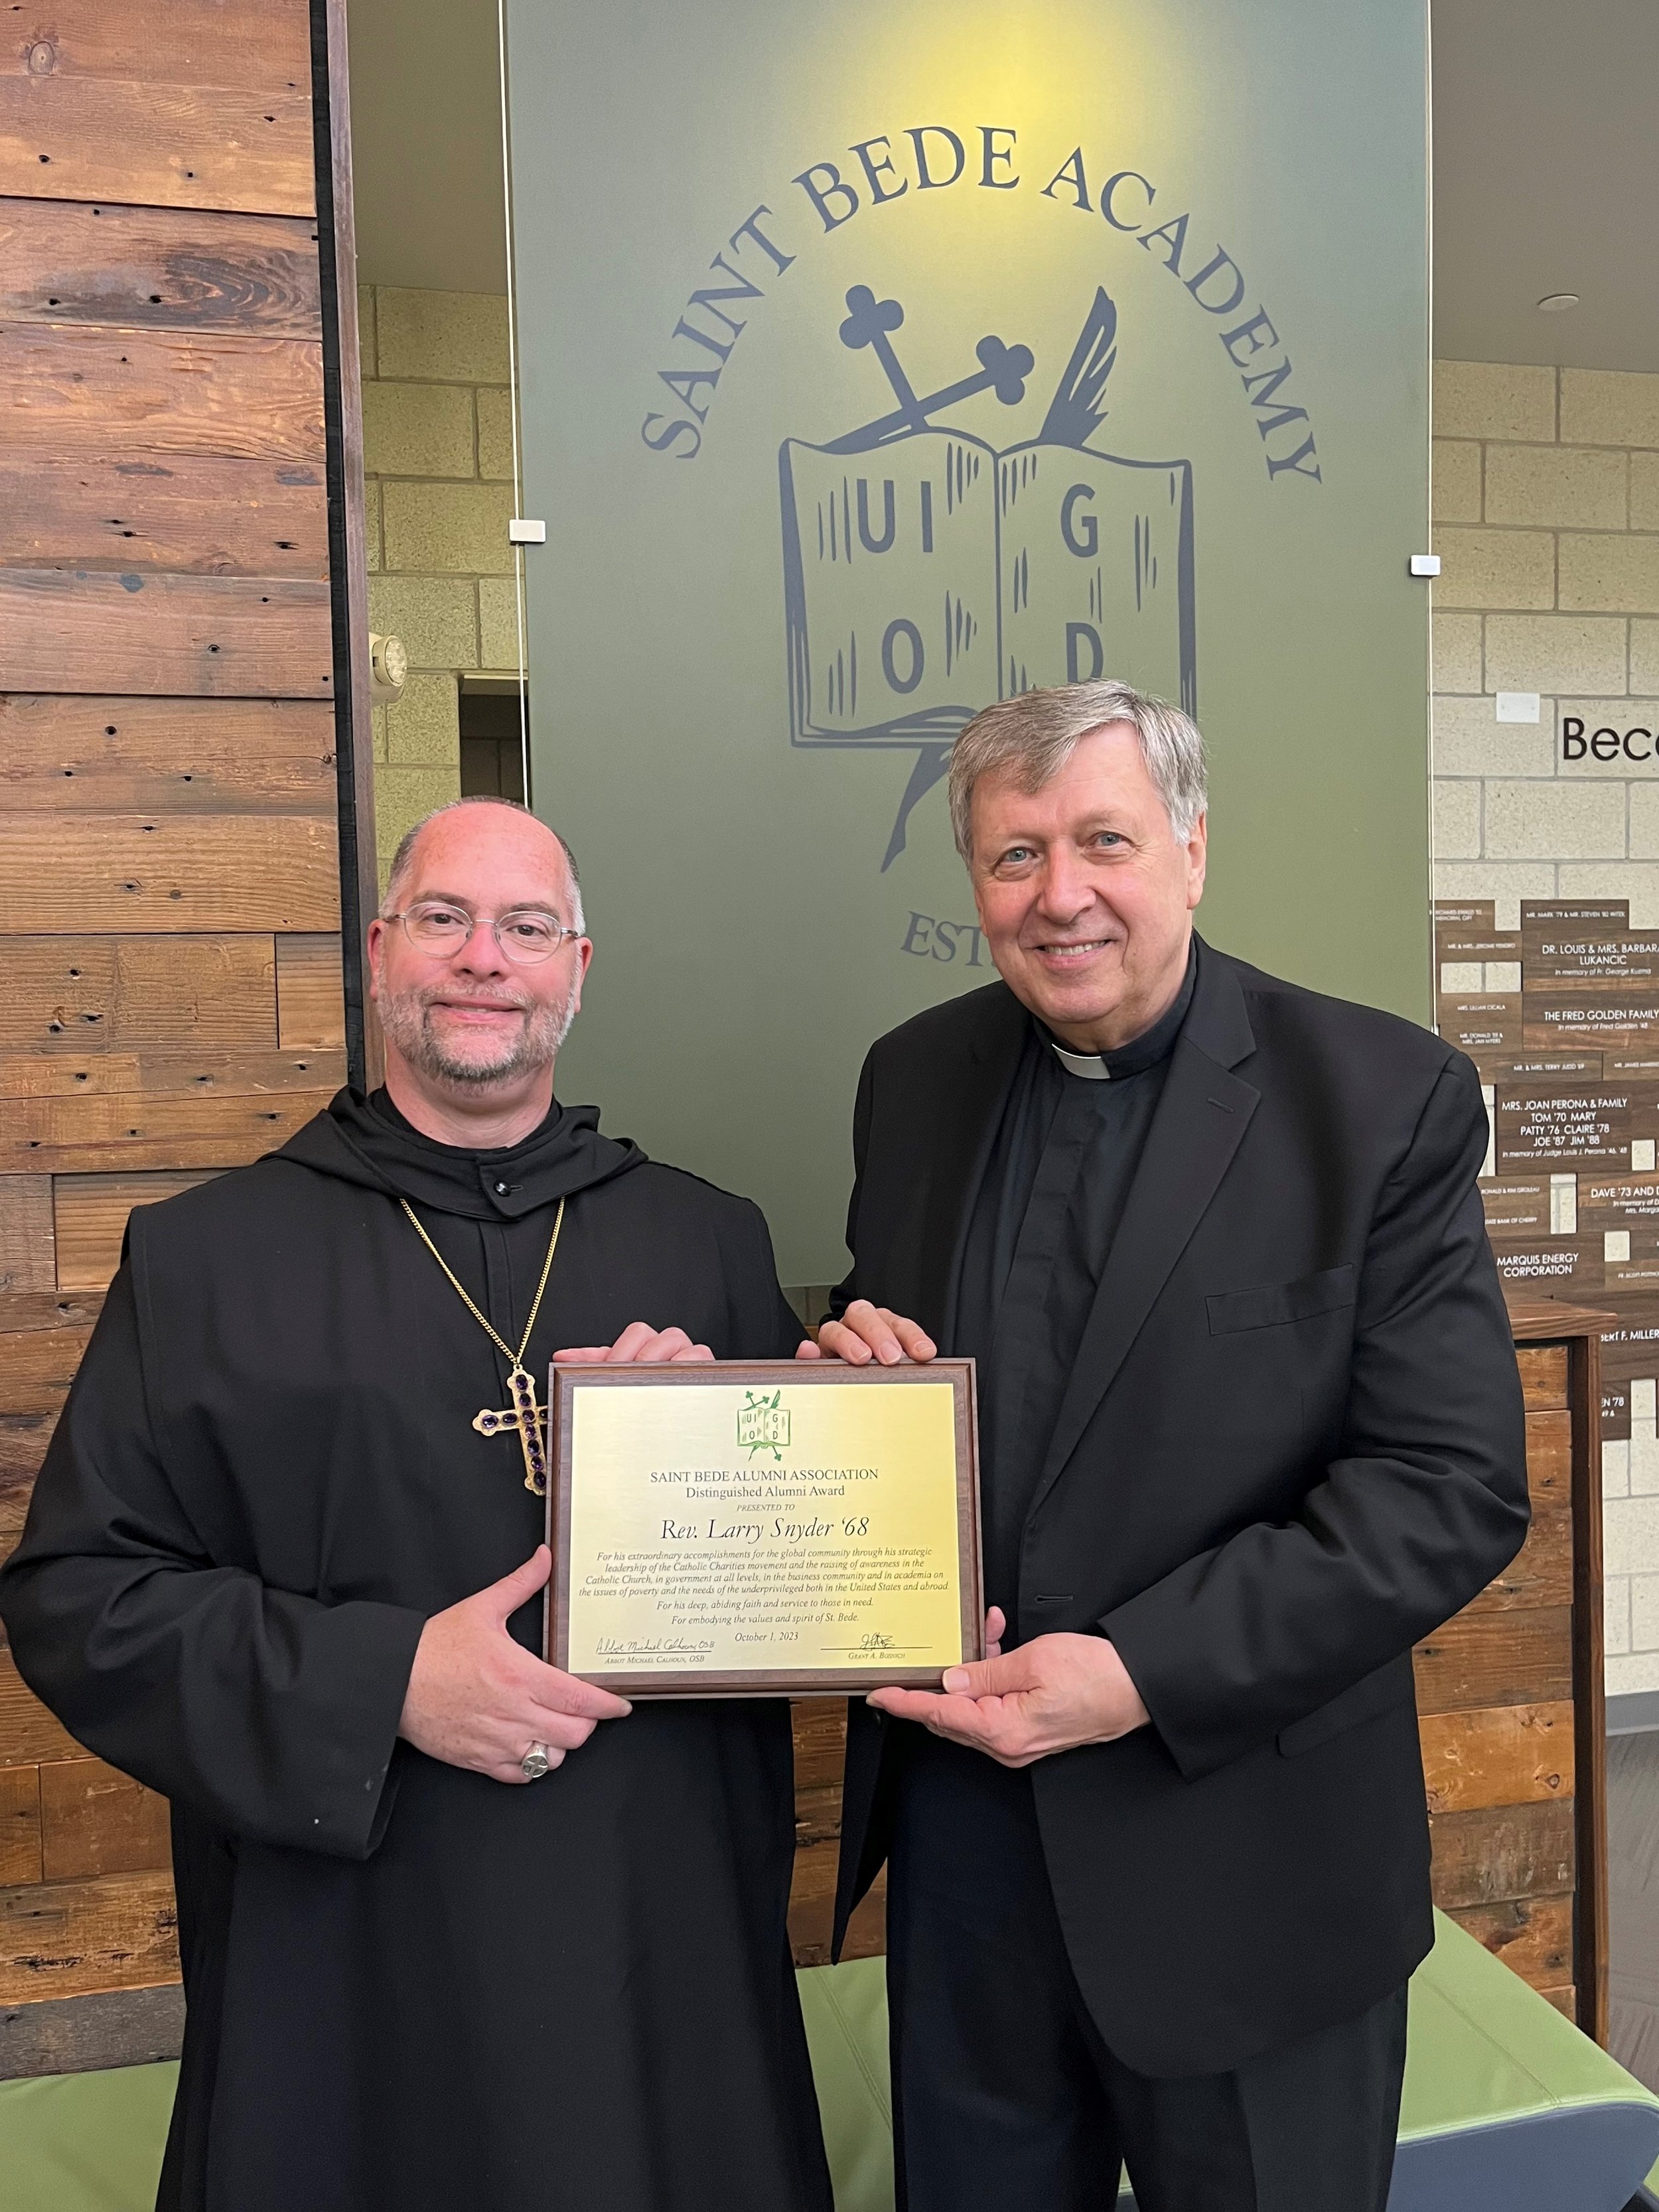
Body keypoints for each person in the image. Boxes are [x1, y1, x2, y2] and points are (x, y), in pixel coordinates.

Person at [0, 796, 847, 2212]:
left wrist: (751, 1435)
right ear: (382, 953)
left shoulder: (705, 1240)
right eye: (445, 920)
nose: (483, 958)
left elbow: (789, 1579)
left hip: (653, 1930)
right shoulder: (208, 1257)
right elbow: (79, 1598)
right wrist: (385, 1677)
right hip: (349, 1950)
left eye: (525, 927)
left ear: (579, 966)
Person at [816, 680, 1530, 2212]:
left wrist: (1134, 1673)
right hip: (967, 1860)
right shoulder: (911, 1080)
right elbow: (914, 1391)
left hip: (1244, 1867)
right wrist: (844, 1387)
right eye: (1012, 856)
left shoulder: (1378, 1097)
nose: (1057, 893)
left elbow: (1446, 1487)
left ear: (1191, 853)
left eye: (1102, 841)